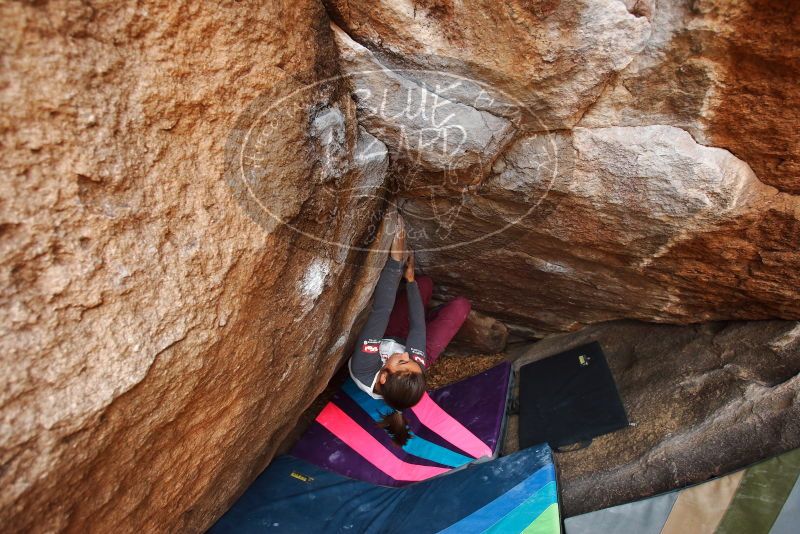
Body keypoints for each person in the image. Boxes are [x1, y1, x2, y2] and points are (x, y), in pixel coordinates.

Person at [348, 216, 472, 446]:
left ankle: (427, 303)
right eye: (411, 361)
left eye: (403, 362)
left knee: (422, 288)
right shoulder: (413, 368)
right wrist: (411, 281)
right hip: (409, 339)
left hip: (389, 333)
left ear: (384, 376)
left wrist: (395, 262)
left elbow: (381, 311)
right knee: (440, 294)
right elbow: (417, 327)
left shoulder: (364, 367)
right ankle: (428, 304)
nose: (407, 356)